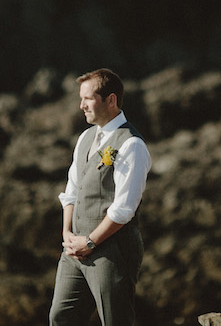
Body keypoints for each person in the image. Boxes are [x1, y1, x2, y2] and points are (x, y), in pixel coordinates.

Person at [49, 68, 152, 325]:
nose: (81, 105)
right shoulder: (85, 138)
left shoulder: (131, 145)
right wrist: (67, 234)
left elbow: (124, 209)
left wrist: (91, 242)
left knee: (115, 320)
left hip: (112, 251)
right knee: (61, 317)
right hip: (74, 251)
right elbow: (71, 191)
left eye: (88, 98)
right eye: (81, 98)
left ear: (111, 100)